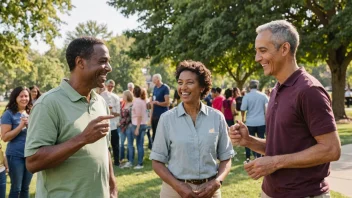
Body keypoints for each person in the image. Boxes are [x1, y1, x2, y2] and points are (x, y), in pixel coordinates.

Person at [229, 20, 341, 198]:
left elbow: (331, 149)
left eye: (263, 51)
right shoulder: (276, 89)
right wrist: (248, 141)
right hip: (271, 192)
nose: (257, 58)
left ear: (284, 49)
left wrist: (275, 163)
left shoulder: (309, 91)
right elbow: (281, 148)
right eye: (256, 51)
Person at [24, 37, 117, 198]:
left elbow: (104, 149)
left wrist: (112, 186)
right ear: (80, 62)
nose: (109, 68)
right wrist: (82, 139)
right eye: (103, 61)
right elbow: (32, 162)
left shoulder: (100, 102)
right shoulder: (48, 104)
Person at [150, 60, 235, 198]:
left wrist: (217, 182)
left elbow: (226, 157)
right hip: (174, 191)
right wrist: (178, 186)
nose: (183, 87)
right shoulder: (167, 119)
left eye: (189, 82)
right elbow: (157, 162)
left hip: (210, 191)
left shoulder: (217, 117)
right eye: (180, 82)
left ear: (202, 87)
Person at [1, 86, 33, 198]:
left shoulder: (32, 112)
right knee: (16, 188)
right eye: (21, 96)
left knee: (25, 188)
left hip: (30, 155)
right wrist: (21, 126)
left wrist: (30, 126)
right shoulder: (8, 114)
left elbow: (36, 134)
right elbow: (4, 137)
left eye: (26, 96)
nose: (24, 98)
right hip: (15, 156)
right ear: (15, 98)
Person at [241, 80, 268, 160]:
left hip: (250, 122)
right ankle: (260, 156)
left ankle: (248, 157)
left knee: (248, 139)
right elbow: (268, 108)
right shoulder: (263, 96)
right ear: (257, 86)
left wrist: (242, 118)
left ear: (249, 87)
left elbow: (243, 108)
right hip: (261, 121)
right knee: (261, 138)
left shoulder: (247, 96)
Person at [100, 79, 121, 166]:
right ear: (106, 86)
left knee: (115, 145)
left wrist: (112, 113)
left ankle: (116, 161)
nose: (111, 88)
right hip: (104, 125)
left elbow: (118, 112)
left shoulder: (116, 97)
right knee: (106, 146)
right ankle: (107, 162)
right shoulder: (101, 96)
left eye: (112, 86)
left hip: (114, 125)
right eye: (109, 86)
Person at [131, 86, 148, 169]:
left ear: (134, 92)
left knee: (139, 145)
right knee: (140, 144)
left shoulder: (137, 102)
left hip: (139, 125)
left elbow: (139, 116)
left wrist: (137, 128)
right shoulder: (142, 101)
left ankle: (140, 163)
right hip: (142, 124)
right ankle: (139, 162)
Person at [150, 73, 170, 142]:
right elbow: (153, 99)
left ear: (158, 79)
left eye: (154, 79)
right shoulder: (155, 88)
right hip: (155, 115)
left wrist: (157, 103)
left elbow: (167, 103)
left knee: (162, 137)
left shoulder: (165, 88)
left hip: (162, 116)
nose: (152, 81)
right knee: (155, 136)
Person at [119, 90, 134, 168]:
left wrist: (122, 122)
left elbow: (131, 118)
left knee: (130, 145)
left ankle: (130, 161)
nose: (122, 97)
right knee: (121, 144)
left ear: (127, 96)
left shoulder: (132, 105)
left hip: (129, 127)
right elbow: (121, 116)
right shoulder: (123, 104)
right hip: (122, 127)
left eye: (124, 95)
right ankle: (121, 159)